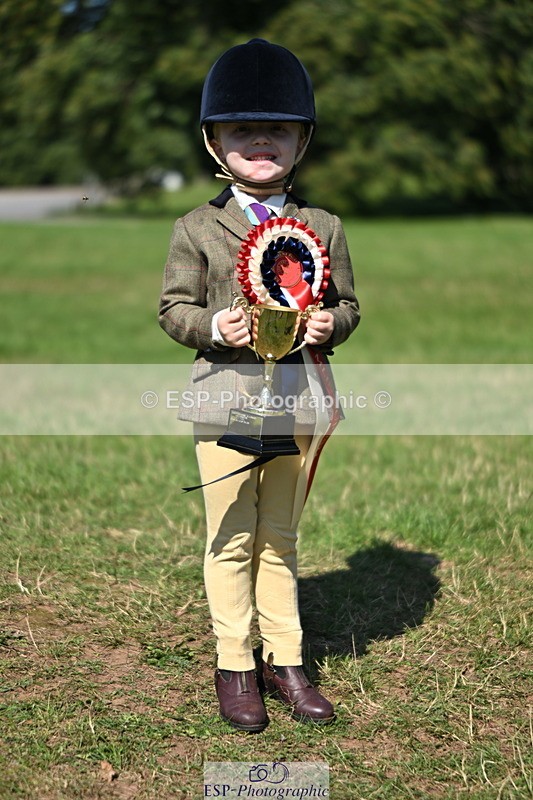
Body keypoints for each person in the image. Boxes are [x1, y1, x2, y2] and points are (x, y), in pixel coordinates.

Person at [159, 39, 360, 733]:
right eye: (242, 129)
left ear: (301, 140)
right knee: (231, 537)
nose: (260, 141)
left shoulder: (322, 226)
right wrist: (216, 324)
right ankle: (234, 662)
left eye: (277, 128)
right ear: (214, 142)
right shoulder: (195, 228)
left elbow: (349, 306)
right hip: (223, 403)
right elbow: (172, 311)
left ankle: (287, 658)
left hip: (298, 403)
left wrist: (329, 323)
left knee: (279, 536)